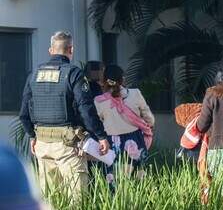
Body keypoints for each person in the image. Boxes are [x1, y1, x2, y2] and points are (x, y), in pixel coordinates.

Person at [19, 31, 110, 198]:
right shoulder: (74, 74)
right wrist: (101, 136)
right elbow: (86, 108)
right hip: (68, 146)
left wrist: (32, 136)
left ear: (50, 50)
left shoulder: (34, 75)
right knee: (76, 199)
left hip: (42, 144)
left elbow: (24, 113)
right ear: (71, 49)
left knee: (50, 200)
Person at [94, 64, 154, 187]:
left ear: (104, 81)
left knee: (114, 181)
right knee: (139, 181)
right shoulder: (135, 93)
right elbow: (150, 119)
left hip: (112, 143)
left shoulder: (99, 101)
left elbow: (97, 124)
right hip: (136, 141)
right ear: (123, 79)